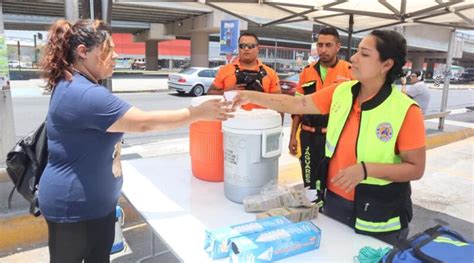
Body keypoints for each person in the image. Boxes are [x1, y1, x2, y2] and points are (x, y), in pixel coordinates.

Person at [38, 19, 232, 263]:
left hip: (95, 206)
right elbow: (144, 122)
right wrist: (196, 114)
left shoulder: (76, 84)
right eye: (108, 49)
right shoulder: (84, 93)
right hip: (75, 209)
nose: (116, 54)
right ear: (83, 52)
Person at [232, 30, 426, 245]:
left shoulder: (405, 110)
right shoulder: (341, 92)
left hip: (379, 216)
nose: (353, 58)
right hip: (334, 202)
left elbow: (415, 168)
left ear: (386, 64)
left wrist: (366, 170)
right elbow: (298, 104)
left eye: (364, 54)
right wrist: (250, 96)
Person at [288, 27, 353, 204]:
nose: (323, 49)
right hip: (308, 136)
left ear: (338, 46)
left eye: (328, 45)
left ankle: (327, 209)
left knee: (331, 180)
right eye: (320, 45)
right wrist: (293, 136)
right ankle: (313, 209)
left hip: (334, 137)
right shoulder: (307, 72)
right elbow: (297, 107)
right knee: (309, 182)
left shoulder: (349, 71)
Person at [207, 32, 281, 111]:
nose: (246, 49)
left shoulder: (270, 73)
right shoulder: (224, 70)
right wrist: (226, 92)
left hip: (262, 120)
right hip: (231, 120)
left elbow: (280, 102)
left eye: (250, 46)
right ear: (238, 48)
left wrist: (259, 96)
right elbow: (209, 94)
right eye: (242, 46)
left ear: (258, 49)